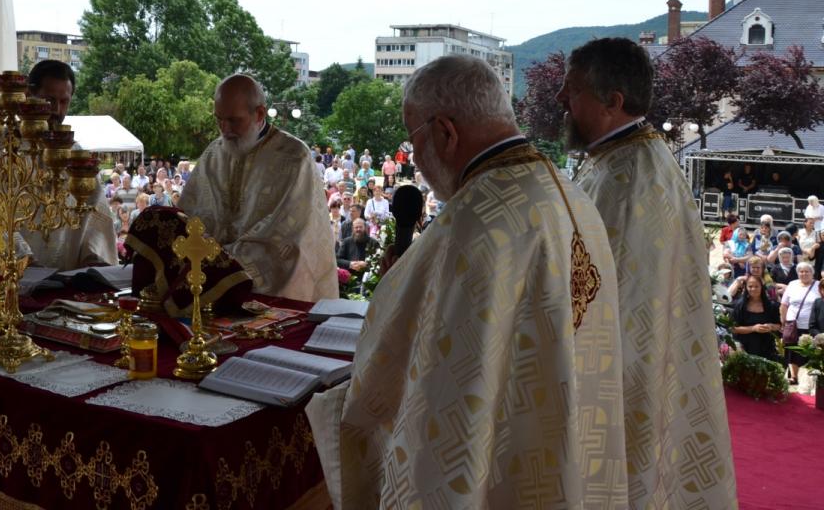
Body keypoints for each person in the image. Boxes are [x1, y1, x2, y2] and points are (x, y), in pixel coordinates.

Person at [307, 55, 626, 507]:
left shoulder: (472, 224)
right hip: (565, 446)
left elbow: (392, 377)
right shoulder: (570, 193)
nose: (415, 158)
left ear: (445, 132)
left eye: (414, 141)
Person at [559, 38, 735, 508]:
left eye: (571, 89)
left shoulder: (628, 176)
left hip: (618, 377)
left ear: (613, 102)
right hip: (639, 365)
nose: (561, 99)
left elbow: (585, 294)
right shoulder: (632, 159)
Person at [180, 73, 337, 302]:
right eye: (219, 119)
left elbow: (286, 236)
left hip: (275, 293)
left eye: (234, 120)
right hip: (209, 288)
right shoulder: (213, 155)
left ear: (260, 114)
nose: (225, 129)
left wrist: (224, 265)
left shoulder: (294, 157)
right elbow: (190, 216)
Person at [20, 60, 117, 270]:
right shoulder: (3, 149)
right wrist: (23, 260)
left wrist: (93, 260)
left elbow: (94, 218)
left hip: (66, 279)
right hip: (13, 274)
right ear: (29, 95)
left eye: (64, 101)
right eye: (49, 100)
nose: (56, 110)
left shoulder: (76, 154)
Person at [782, 262, 821, 385]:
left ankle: (810, 379)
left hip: (812, 326)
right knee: (792, 351)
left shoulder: (819, 285)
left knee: (812, 352)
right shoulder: (792, 284)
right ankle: (794, 377)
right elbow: (784, 304)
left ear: (812, 273)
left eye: (807, 271)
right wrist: (783, 321)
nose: (804, 274)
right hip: (793, 325)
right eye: (801, 271)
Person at [732, 274, 781, 362]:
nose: (753, 289)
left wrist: (771, 326)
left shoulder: (772, 305)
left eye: (756, 286)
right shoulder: (739, 306)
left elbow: (779, 325)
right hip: (746, 349)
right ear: (746, 287)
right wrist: (753, 328)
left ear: (762, 287)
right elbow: (733, 328)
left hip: (767, 348)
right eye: (750, 286)